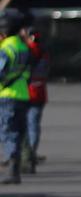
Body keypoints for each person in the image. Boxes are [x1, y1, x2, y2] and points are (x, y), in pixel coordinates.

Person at [0, 10, 31, 185]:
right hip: (22, 94)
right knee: (18, 133)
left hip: (6, 96)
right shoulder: (22, 47)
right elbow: (27, 73)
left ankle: (12, 170)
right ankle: (15, 167)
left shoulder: (5, 49)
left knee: (8, 132)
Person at [22, 27, 49, 174]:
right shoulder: (44, 52)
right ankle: (31, 152)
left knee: (25, 126)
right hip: (39, 92)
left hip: (25, 92)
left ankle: (27, 154)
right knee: (34, 125)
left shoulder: (25, 51)